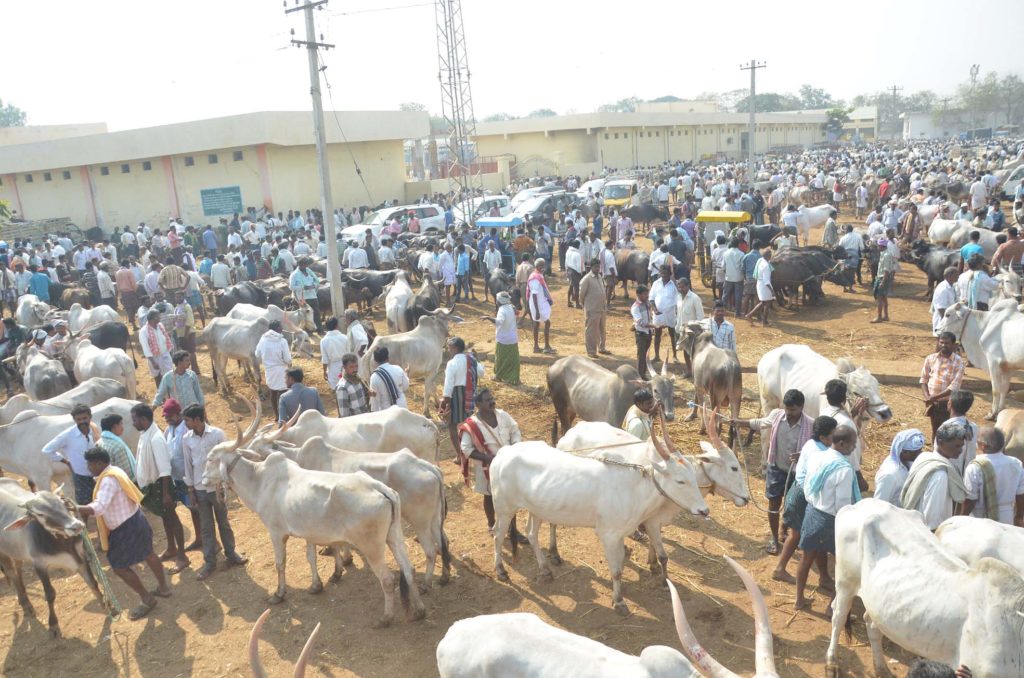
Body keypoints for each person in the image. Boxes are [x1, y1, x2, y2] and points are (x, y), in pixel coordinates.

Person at [76, 447, 171, 620]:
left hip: (124, 527)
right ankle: (163, 588)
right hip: (136, 519)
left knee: (119, 567)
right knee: (149, 554)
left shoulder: (107, 481)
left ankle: (147, 598)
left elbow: (99, 507)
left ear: (99, 463)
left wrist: (76, 508)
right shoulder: (115, 471)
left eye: (90, 464)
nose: (88, 467)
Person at [732, 389, 814, 555]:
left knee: (793, 506)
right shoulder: (777, 415)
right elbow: (760, 423)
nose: (789, 413)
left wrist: (804, 455)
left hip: (797, 473)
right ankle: (775, 538)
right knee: (774, 504)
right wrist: (739, 422)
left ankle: (785, 529)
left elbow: (818, 446)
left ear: (801, 408)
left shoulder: (811, 425)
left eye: (793, 410)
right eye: (787, 409)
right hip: (776, 467)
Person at [796, 424, 860, 610]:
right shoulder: (844, 470)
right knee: (842, 564)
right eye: (852, 444)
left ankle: (799, 600)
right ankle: (831, 607)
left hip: (812, 513)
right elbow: (842, 505)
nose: (854, 448)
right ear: (841, 443)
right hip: (833, 521)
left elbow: (808, 485)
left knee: (806, 559)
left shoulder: (818, 457)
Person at [182, 404, 248, 580]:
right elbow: (188, 465)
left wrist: (227, 484)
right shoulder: (187, 439)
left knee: (223, 522)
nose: (186, 423)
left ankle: (231, 553)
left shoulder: (218, 434)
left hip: (216, 487)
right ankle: (210, 562)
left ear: (197, 419)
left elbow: (226, 460)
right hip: (200, 487)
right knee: (206, 526)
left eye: (187, 420)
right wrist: (190, 489)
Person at [773, 415, 837, 584]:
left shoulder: (811, 444)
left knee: (800, 536)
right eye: (833, 434)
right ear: (823, 437)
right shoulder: (822, 453)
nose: (836, 437)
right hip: (805, 496)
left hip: (797, 491)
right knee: (803, 537)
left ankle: (823, 576)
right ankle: (782, 569)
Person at [457, 389, 523, 536]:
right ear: (478, 404)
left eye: (492, 398)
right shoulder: (472, 425)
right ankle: (492, 524)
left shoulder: (503, 415)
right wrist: (488, 458)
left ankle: (513, 530)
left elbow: (515, 430)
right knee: (489, 496)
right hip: (487, 467)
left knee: (510, 497)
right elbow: (466, 449)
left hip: (508, 463)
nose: (492, 402)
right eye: (487, 400)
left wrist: (515, 448)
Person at [132, 403, 188, 574]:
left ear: (143, 419)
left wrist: (165, 494)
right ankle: (171, 548)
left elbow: (164, 469)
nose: (133, 423)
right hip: (154, 485)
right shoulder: (145, 435)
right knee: (165, 518)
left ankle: (182, 556)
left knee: (173, 518)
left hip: (161, 486)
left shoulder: (156, 438)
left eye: (134, 419)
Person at [901, 419, 969, 530]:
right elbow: (932, 517)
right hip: (930, 532)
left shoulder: (924, 457)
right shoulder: (940, 474)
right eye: (956, 446)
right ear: (941, 442)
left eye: (961, 446)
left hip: (913, 524)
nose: (960, 450)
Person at [162, 398, 202, 555]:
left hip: (189, 476)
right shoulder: (168, 431)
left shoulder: (187, 429)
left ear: (178, 414)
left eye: (170, 416)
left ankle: (206, 539)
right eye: (166, 417)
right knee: (192, 509)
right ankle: (199, 538)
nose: (168, 419)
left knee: (198, 509)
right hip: (177, 477)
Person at [961, 427, 1024, 526]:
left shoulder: (975, 466)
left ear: (983, 446)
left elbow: (970, 499)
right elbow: (1020, 494)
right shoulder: (1016, 464)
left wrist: (962, 518)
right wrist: (1019, 516)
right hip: (1006, 517)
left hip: (981, 518)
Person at [42, 404, 101, 504]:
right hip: (81, 476)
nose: (82, 421)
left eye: (85, 418)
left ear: (90, 417)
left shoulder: (94, 430)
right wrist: (66, 462)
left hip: (99, 474)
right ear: (74, 420)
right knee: (84, 504)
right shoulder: (67, 435)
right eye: (78, 419)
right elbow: (47, 450)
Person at [921, 332, 965, 438]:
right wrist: (927, 397)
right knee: (935, 431)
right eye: (941, 342)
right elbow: (923, 380)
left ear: (954, 345)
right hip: (933, 404)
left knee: (947, 433)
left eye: (947, 343)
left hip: (948, 404)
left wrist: (934, 397)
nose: (944, 345)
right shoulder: (930, 358)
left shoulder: (959, 362)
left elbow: (954, 386)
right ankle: (935, 450)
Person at [874, 429, 926, 507]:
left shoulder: (907, 462)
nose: (920, 454)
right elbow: (878, 504)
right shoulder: (889, 475)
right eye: (916, 452)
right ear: (905, 453)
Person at [481, 291, 521, 384]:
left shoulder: (502, 310)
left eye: (497, 300)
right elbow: (517, 314)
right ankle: (515, 379)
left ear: (500, 301)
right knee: (514, 359)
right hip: (513, 338)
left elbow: (499, 322)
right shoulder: (511, 307)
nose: (496, 302)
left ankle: (498, 376)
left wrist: (488, 317)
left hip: (503, 339)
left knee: (500, 359)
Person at [254, 319, 292, 417]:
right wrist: (289, 362)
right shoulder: (282, 341)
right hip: (282, 371)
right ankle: (285, 416)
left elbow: (257, 354)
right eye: (280, 326)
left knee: (273, 393)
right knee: (284, 394)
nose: (282, 328)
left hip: (269, 371)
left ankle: (276, 415)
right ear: (276, 328)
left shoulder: (263, 339)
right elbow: (287, 359)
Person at [578, 259, 608, 359]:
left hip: (602, 308)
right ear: (591, 267)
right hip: (592, 309)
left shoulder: (599, 277)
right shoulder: (586, 279)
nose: (597, 268)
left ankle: (601, 348)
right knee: (591, 331)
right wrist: (586, 306)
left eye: (598, 267)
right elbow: (581, 295)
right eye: (595, 267)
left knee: (601, 329)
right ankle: (591, 351)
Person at [945, 389, 979, 478]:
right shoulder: (973, 427)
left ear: (950, 403)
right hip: (968, 475)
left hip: (950, 475)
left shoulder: (945, 427)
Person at [649, 265, 679, 365]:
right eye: (662, 274)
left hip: (670, 313)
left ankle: (675, 356)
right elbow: (651, 298)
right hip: (658, 314)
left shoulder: (673, 284)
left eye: (666, 274)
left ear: (670, 274)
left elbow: (678, 299)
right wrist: (655, 309)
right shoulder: (655, 283)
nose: (664, 276)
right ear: (660, 274)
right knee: (657, 334)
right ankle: (656, 356)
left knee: (673, 335)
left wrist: (677, 312)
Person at [97, 413, 138, 484]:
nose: (123, 428)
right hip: (123, 485)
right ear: (115, 426)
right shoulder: (118, 446)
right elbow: (126, 472)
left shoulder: (99, 442)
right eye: (121, 424)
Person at [140, 309, 175, 389]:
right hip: (154, 357)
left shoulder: (160, 326)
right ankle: (161, 395)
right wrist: (153, 362)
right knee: (158, 377)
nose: (160, 317)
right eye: (158, 316)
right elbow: (146, 348)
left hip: (165, 353)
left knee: (169, 374)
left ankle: (171, 392)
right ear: (153, 318)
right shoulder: (144, 332)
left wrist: (169, 352)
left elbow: (165, 339)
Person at [366, 347, 409, 411]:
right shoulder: (398, 369)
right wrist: (406, 374)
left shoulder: (374, 377)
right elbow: (405, 387)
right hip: (402, 408)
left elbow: (375, 400)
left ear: (375, 360)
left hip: (386, 411)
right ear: (388, 357)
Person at [527, 258, 554, 354]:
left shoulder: (538, 275)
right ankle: (545, 347)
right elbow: (534, 294)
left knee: (537, 324)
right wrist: (537, 311)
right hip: (537, 305)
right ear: (537, 266)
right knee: (546, 323)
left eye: (544, 265)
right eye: (541, 266)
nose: (543, 268)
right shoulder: (535, 278)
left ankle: (537, 347)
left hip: (541, 303)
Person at [289, 258, 322, 333]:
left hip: (313, 295)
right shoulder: (294, 275)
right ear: (299, 265)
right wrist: (303, 288)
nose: (305, 266)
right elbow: (291, 287)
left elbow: (316, 282)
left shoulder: (310, 272)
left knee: (316, 313)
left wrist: (314, 285)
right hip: (302, 298)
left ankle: (319, 329)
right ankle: (308, 331)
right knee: (306, 315)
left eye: (306, 264)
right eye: (303, 264)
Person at [320, 316, 349, 395]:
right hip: (346, 366)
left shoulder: (324, 341)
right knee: (348, 390)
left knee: (337, 392)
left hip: (333, 369)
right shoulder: (345, 337)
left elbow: (325, 359)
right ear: (337, 325)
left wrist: (324, 372)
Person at [630, 284, 654, 379]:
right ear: (638, 295)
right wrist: (654, 326)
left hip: (648, 332)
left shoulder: (646, 303)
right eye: (645, 294)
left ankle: (643, 374)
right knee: (641, 356)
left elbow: (649, 316)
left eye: (647, 294)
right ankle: (640, 376)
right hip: (641, 333)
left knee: (646, 355)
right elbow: (641, 323)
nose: (647, 296)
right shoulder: (635, 307)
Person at [336, 353, 370, 417]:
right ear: (344, 367)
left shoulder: (357, 378)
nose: (355, 369)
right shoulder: (342, 387)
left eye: (356, 366)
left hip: (365, 418)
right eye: (351, 367)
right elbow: (344, 414)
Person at [746, 248, 774, 327]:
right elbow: (767, 281)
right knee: (767, 303)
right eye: (770, 254)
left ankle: (749, 315)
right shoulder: (766, 266)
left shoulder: (760, 260)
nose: (771, 256)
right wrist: (772, 291)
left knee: (762, 302)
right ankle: (764, 322)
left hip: (759, 283)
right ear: (768, 256)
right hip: (765, 286)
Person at [871, 239, 896, 323]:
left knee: (879, 298)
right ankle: (886, 316)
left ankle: (879, 317)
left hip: (883, 278)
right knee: (884, 298)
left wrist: (882, 281)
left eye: (878, 245)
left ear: (882, 246)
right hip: (883, 277)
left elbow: (886, 270)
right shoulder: (884, 253)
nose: (877, 247)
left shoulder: (886, 255)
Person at [930, 267, 958, 336]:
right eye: (956, 274)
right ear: (950, 276)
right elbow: (941, 308)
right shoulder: (943, 289)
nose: (958, 276)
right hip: (943, 321)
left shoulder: (951, 287)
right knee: (942, 340)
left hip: (949, 320)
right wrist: (945, 322)